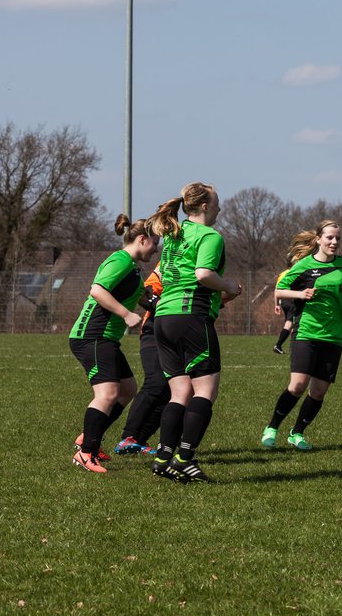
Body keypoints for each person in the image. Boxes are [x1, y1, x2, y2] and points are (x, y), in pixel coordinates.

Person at [148, 182, 242, 483]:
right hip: (191, 316)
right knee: (205, 390)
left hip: (162, 318)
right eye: (217, 203)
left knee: (180, 393)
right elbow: (203, 274)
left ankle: (163, 456)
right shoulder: (209, 236)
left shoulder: (175, 234)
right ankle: (184, 458)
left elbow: (161, 273)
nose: (220, 208)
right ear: (204, 206)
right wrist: (229, 286)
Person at [261, 220, 342, 450]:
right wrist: (300, 293)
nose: (334, 242)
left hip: (334, 335)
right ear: (318, 239)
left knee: (318, 391)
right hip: (307, 331)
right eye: (329, 237)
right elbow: (279, 290)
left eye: (337, 238)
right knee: (298, 385)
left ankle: (297, 433)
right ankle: (272, 427)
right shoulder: (304, 265)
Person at [68, 215, 159, 472]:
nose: (156, 249)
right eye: (154, 243)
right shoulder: (120, 261)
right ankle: (86, 453)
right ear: (142, 239)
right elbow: (97, 290)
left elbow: (139, 295)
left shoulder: (133, 268)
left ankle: (89, 438)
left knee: (128, 389)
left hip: (106, 339)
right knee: (107, 394)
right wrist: (125, 314)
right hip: (92, 336)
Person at [113, 262, 169, 455]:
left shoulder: (205, 262)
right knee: (156, 382)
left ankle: (139, 440)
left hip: (182, 332)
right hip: (154, 330)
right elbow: (145, 295)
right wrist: (161, 305)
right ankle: (128, 438)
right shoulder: (170, 260)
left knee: (174, 390)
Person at [273, 266, 294, 354]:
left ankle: (293, 348)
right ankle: (278, 345)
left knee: (291, 324)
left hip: (283, 301)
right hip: (291, 300)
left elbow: (276, 290)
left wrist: (276, 304)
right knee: (290, 323)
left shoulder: (282, 274)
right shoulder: (295, 272)